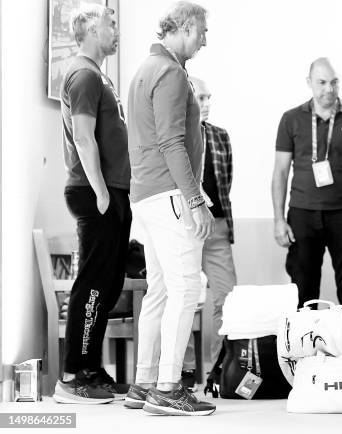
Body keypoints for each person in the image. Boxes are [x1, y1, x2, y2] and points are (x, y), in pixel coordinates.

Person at [124, 2, 216, 416]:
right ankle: (168, 388)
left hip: (145, 196)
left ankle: (143, 383)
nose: (204, 40)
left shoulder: (144, 68)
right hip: (169, 196)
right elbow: (171, 142)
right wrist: (195, 199)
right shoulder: (172, 74)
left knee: (159, 291)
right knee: (185, 290)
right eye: (201, 32)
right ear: (183, 26)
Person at [55, 2, 131, 404]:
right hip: (95, 190)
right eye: (109, 22)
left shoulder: (99, 76)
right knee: (93, 282)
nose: (115, 28)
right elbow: (83, 138)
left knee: (109, 282)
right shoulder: (83, 74)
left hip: (112, 189)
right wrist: (102, 192)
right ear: (86, 29)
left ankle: (90, 365)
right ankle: (71, 377)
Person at [272, 58, 342, 309]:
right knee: (303, 292)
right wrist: (279, 219)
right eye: (322, 83)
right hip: (302, 214)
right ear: (309, 83)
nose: (328, 89)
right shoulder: (291, 119)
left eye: (334, 82)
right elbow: (280, 172)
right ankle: (305, 346)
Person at [181, 77, 237, 389]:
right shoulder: (175, 135)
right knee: (186, 297)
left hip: (216, 226)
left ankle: (220, 367)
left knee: (227, 299)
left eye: (208, 98)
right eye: (200, 98)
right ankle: (186, 369)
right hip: (185, 227)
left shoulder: (219, 136)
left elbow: (225, 183)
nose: (206, 104)